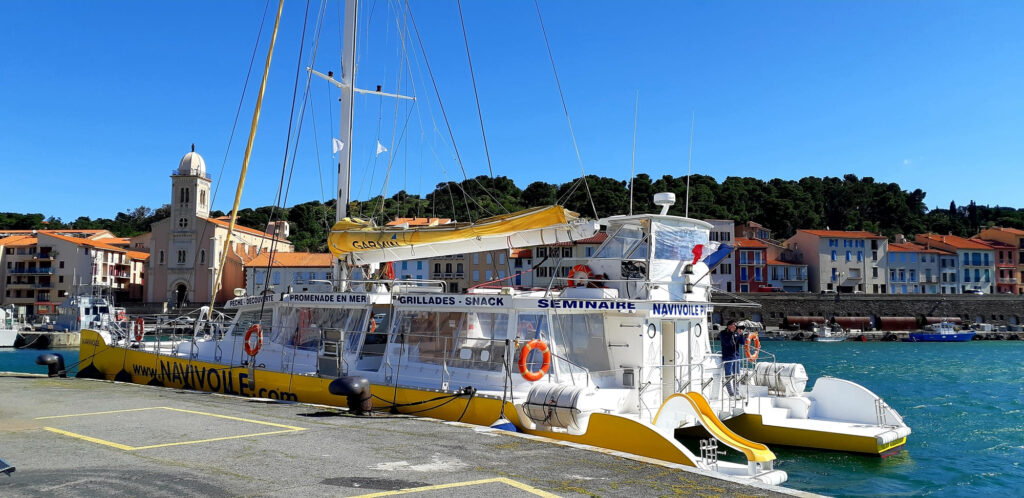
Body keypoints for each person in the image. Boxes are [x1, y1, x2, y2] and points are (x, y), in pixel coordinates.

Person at [720, 320, 746, 398]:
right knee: (728, 376)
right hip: (728, 357)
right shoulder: (723, 333)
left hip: (736, 357)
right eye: (734, 325)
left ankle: (737, 393)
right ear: (729, 326)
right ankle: (731, 394)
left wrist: (741, 334)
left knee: (737, 375)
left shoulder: (736, 333)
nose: (735, 326)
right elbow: (728, 343)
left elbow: (743, 342)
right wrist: (732, 333)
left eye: (736, 325)